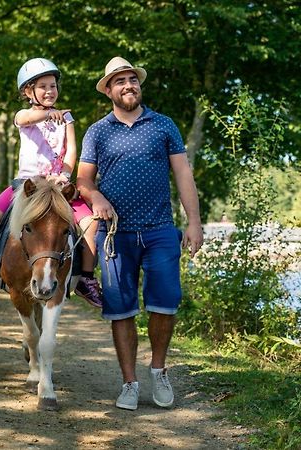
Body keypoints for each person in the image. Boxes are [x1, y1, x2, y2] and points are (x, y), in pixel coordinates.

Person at [76, 56, 203, 410]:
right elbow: (83, 181)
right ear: (109, 90)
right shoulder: (97, 132)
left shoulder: (163, 125)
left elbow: (183, 176)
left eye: (133, 79)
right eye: (120, 81)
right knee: (121, 309)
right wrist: (96, 195)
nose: (129, 85)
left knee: (164, 305)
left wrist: (193, 222)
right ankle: (129, 383)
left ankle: (159, 371)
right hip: (116, 237)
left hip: (161, 231)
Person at [0, 57, 103, 308]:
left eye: (53, 86)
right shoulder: (24, 115)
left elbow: (71, 150)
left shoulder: (67, 118)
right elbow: (27, 119)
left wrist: (65, 173)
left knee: (90, 224)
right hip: (26, 184)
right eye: (43, 87)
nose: (50, 91)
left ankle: (86, 279)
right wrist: (49, 114)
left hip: (57, 187)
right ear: (28, 91)